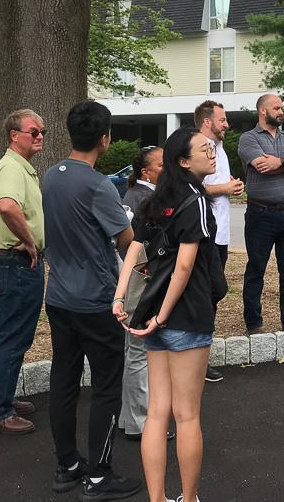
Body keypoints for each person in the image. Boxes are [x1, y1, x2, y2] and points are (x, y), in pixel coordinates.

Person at [114, 127, 224, 502]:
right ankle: (189, 498)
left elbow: (134, 249)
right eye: (204, 149)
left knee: (157, 413)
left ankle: (157, 498)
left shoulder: (158, 199)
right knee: (187, 414)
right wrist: (162, 317)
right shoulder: (196, 201)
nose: (211, 153)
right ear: (184, 161)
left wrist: (120, 297)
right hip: (185, 315)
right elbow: (184, 268)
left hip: (149, 316)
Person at [41, 101, 142, 500]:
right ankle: (99, 476)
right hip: (97, 300)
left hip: (59, 296)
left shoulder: (50, 176)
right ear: (105, 138)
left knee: (63, 381)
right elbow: (126, 239)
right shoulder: (99, 185)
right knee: (105, 387)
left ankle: (66, 466)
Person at [0, 109, 46, 436]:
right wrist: (30, 241)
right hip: (15, 262)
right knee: (10, 335)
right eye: (33, 131)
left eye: (42, 132)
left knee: (15, 334)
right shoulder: (10, 167)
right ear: (14, 135)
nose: (39, 137)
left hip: (15, 263)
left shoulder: (19, 167)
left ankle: (1, 396)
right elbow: (7, 206)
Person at [237, 93, 284, 334]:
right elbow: (262, 167)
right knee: (256, 267)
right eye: (276, 108)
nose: (281, 111)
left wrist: (280, 162)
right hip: (260, 214)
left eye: (282, 108)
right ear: (262, 111)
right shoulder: (248, 139)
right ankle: (254, 323)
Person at [117, 145, 166, 443]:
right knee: (138, 351)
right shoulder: (145, 198)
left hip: (136, 277)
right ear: (146, 172)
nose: (168, 167)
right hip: (141, 279)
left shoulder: (136, 195)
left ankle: (131, 417)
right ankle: (140, 421)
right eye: (162, 164)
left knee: (134, 352)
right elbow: (132, 244)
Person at [196, 100, 244, 382]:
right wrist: (224, 187)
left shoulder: (219, 148)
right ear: (207, 121)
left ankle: (202, 358)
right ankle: (197, 361)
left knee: (213, 296)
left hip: (221, 234)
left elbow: (213, 186)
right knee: (208, 294)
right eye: (222, 120)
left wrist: (230, 185)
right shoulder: (199, 146)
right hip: (206, 234)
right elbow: (192, 186)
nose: (227, 124)